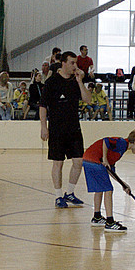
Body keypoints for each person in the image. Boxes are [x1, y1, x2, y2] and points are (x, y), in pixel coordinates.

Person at [40, 51, 91, 209]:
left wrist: (80, 81)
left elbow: (87, 99)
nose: (75, 66)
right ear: (63, 63)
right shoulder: (52, 82)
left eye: (76, 63)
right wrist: (43, 127)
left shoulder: (76, 81)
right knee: (58, 163)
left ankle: (70, 192)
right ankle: (57, 196)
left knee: (78, 162)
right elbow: (43, 106)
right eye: (72, 63)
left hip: (74, 128)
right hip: (56, 129)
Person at [83, 130, 135, 232]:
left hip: (88, 160)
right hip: (94, 160)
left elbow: (111, 170)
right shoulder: (122, 143)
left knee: (100, 189)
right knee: (108, 189)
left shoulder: (121, 150)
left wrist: (123, 184)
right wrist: (104, 159)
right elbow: (106, 141)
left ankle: (97, 217)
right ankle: (110, 222)